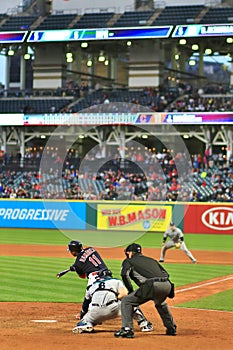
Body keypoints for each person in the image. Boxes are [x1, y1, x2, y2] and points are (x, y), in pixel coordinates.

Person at [66, 240, 152, 332]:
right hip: (107, 279)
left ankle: (88, 319)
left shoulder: (78, 264)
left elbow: (82, 276)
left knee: (92, 298)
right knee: (126, 301)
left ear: (73, 251)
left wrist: (76, 268)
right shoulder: (91, 249)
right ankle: (144, 323)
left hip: (94, 280)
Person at [114, 243, 176, 338]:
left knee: (127, 301)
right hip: (167, 285)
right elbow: (165, 274)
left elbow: (124, 275)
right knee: (160, 303)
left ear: (130, 253)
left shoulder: (128, 261)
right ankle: (171, 328)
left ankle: (127, 329)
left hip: (152, 285)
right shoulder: (152, 260)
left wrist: (130, 290)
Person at [72, 268, 128, 333]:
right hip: (113, 309)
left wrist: (83, 315)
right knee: (129, 302)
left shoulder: (92, 286)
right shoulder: (116, 281)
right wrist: (115, 299)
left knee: (84, 321)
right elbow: (124, 294)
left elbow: (85, 304)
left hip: (95, 312)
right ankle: (142, 323)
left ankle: (87, 324)